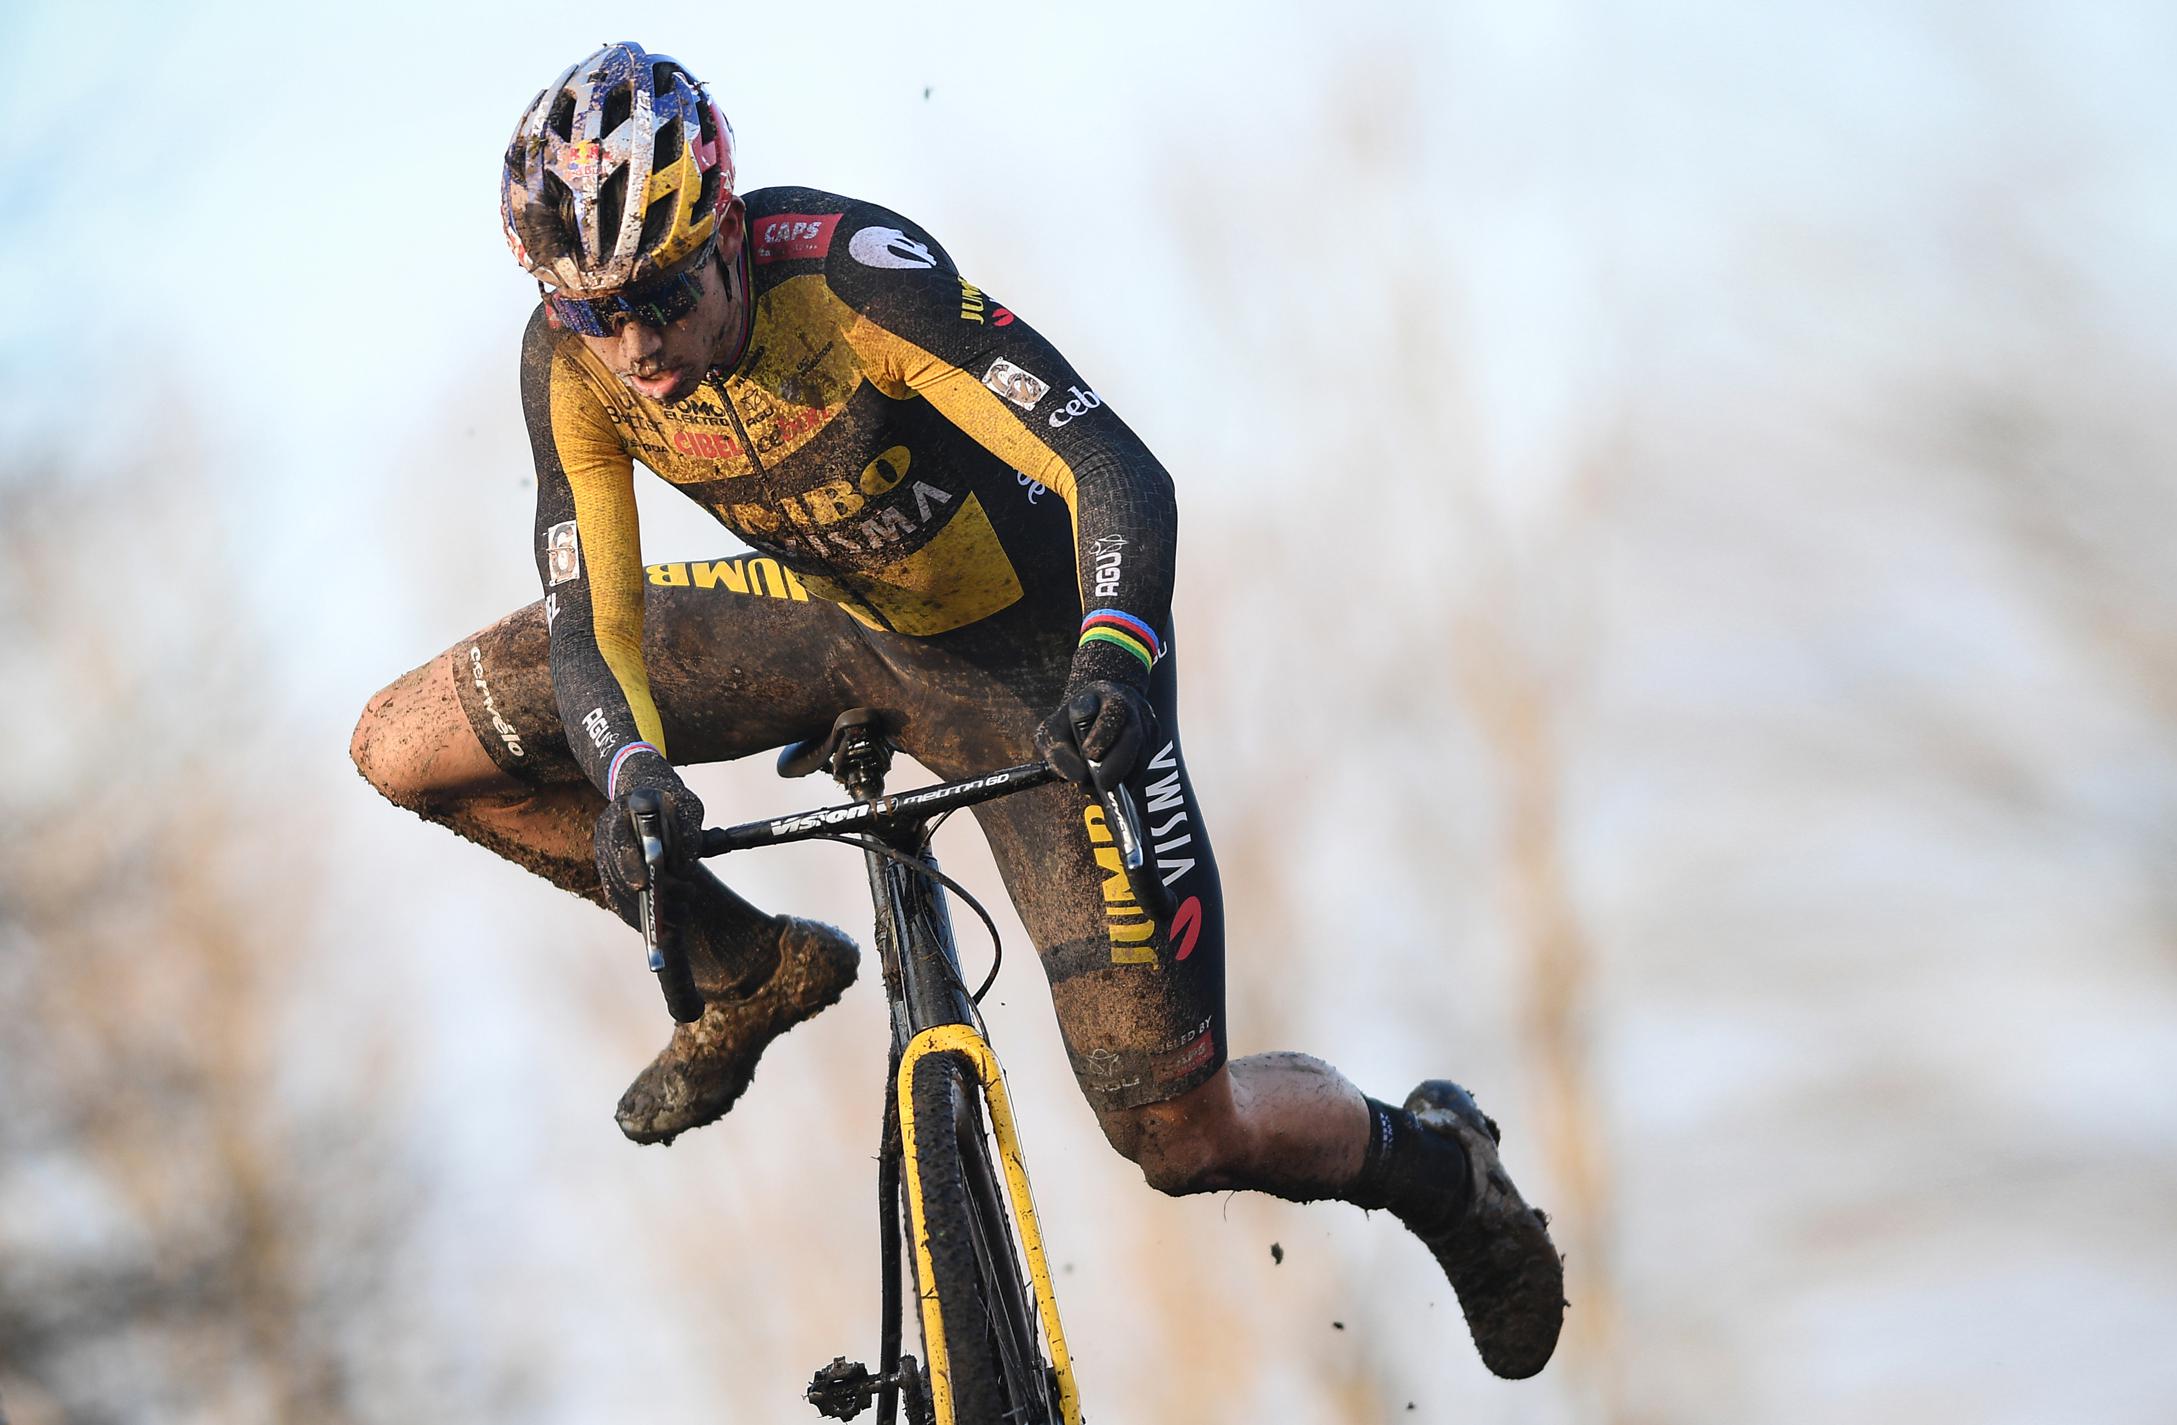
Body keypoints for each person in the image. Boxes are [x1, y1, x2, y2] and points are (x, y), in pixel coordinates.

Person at [347, 43, 1564, 1378]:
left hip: (1029, 668)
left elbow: (1118, 469)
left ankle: (1443, 1170)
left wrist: (1116, 655)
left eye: (662, 294)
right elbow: (597, 623)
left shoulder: (856, 277)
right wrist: (632, 772)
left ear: (729, 234)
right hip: (825, 621)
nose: (634, 345)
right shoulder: (572, 363)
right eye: (592, 311)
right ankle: (747, 968)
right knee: (403, 746)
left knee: (1180, 1135)